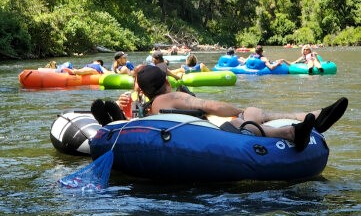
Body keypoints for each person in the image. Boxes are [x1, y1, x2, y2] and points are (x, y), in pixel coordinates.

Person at [102, 65, 347, 152]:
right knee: (242, 119)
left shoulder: (149, 105)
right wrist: (236, 110)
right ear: (166, 82)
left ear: (142, 90)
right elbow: (209, 105)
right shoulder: (170, 98)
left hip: (196, 134)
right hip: (205, 137)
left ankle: (313, 116)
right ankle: (294, 131)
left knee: (252, 113)